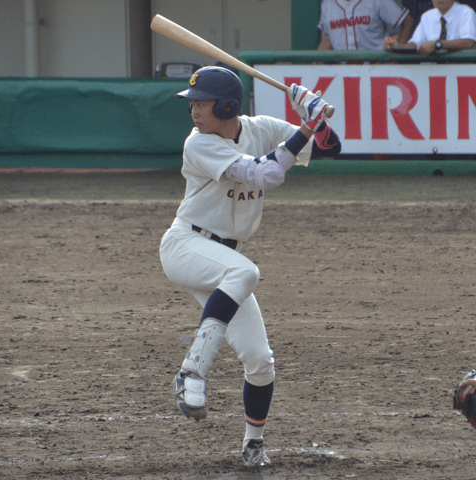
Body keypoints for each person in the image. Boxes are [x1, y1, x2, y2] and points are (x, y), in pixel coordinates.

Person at [159, 66, 341, 467]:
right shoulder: (199, 144)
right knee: (245, 271)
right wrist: (306, 127)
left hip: (224, 260)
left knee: (260, 361)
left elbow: (331, 148)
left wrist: (318, 120)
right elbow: (268, 173)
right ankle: (191, 372)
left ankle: (253, 444)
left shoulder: (261, 128)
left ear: (227, 105)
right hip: (187, 245)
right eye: (193, 102)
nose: (194, 110)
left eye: (203, 103)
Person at [317, 0, 414, 50]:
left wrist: (398, 55)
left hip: (376, 64)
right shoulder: (327, 4)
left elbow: (407, 21)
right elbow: (326, 42)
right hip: (344, 70)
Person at [384, 0, 476, 53]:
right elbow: (415, 45)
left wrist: (438, 44)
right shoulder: (427, 16)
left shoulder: (466, 12)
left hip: (461, 73)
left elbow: (469, 43)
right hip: (432, 75)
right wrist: (396, 46)